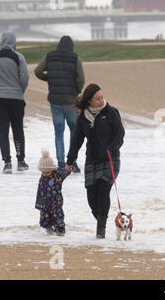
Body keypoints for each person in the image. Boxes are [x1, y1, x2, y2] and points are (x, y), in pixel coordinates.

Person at [65, 84, 125, 239]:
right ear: (89, 101)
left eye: (101, 98)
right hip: (92, 160)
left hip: (111, 159)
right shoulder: (83, 117)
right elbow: (77, 140)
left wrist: (112, 148)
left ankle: (101, 231)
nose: (101, 101)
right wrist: (70, 160)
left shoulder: (111, 113)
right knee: (92, 199)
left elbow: (120, 134)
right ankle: (101, 220)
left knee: (104, 190)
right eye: (97, 99)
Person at [34, 36, 85, 172]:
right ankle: (72, 162)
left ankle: (61, 164)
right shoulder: (75, 58)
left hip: (55, 101)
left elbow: (38, 71)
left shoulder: (49, 56)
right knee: (75, 132)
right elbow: (81, 79)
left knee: (59, 133)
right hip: (71, 101)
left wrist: (49, 78)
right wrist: (77, 91)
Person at [0, 31, 29, 174]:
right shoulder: (19, 57)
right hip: (16, 99)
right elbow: (24, 78)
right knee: (18, 129)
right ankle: (20, 161)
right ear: (14, 42)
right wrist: (20, 90)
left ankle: (7, 162)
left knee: (3, 132)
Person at [35, 149, 70, 236]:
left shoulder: (58, 175)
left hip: (56, 202)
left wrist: (69, 167)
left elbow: (66, 172)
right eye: (43, 172)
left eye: (47, 172)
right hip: (44, 203)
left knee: (57, 217)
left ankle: (60, 232)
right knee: (44, 219)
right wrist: (38, 203)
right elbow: (39, 192)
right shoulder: (42, 179)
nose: (45, 174)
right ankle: (48, 231)